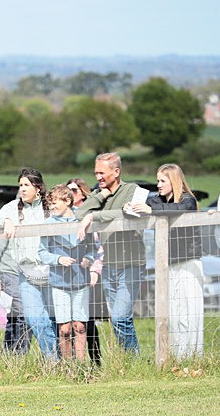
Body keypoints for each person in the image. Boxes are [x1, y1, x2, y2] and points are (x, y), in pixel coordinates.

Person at [130, 164, 203, 359]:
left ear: (174, 181)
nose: (158, 185)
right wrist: (131, 206)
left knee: (190, 312)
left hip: (188, 262)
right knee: (173, 312)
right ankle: (176, 356)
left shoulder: (188, 199)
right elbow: (146, 206)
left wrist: (150, 210)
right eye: (157, 180)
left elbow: (179, 208)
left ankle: (194, 355)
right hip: (168, 263)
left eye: (163, 180)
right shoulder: (158, 200)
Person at [76, 152, 145, 355]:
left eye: (102, 173)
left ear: (116, 171)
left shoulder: (132, 190)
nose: (98, 177)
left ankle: (134, 361)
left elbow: (129, 213)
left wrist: (94, 216)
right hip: (109, 265)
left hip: (131, 263)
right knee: (117, 318)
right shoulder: (100, 194)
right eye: (95, 173)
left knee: (119, 317)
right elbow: (79, 213)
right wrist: (101, 195)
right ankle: (127, 360)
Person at [0, 168, 57, 359]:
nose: (22, 189)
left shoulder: (49, 207)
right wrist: (7, 221)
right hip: (26, 273)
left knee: (54, 320)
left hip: (52, 271)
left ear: (38, 187)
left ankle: (59, 360)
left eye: (27, 185)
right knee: (35, 319)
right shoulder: (12, 207)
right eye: (20, 185)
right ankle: (52, 359)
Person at [38, 185, 95, 361]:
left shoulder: (83, 219)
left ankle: (81, 365)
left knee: (79, 326)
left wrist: (89, 258)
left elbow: (93, 248)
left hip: (80, 281)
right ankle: (67, 365)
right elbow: (42, 252)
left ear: (67, 201)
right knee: (64, 328)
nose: (52, 207)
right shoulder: (48, 225)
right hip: (59, 282)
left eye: (54, 203)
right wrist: (57, 259)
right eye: (50, 204)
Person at [67, 178, 104, 364]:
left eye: (74, 190)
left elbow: (99, 247)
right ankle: (73, 362)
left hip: (87, 274)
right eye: (67, 191)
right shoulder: (62, 215)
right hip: (66, 275)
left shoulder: (90, 215)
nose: (70, 194)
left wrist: (94, 269)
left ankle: (95, 361)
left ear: (82, 193)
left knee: (87, 322)